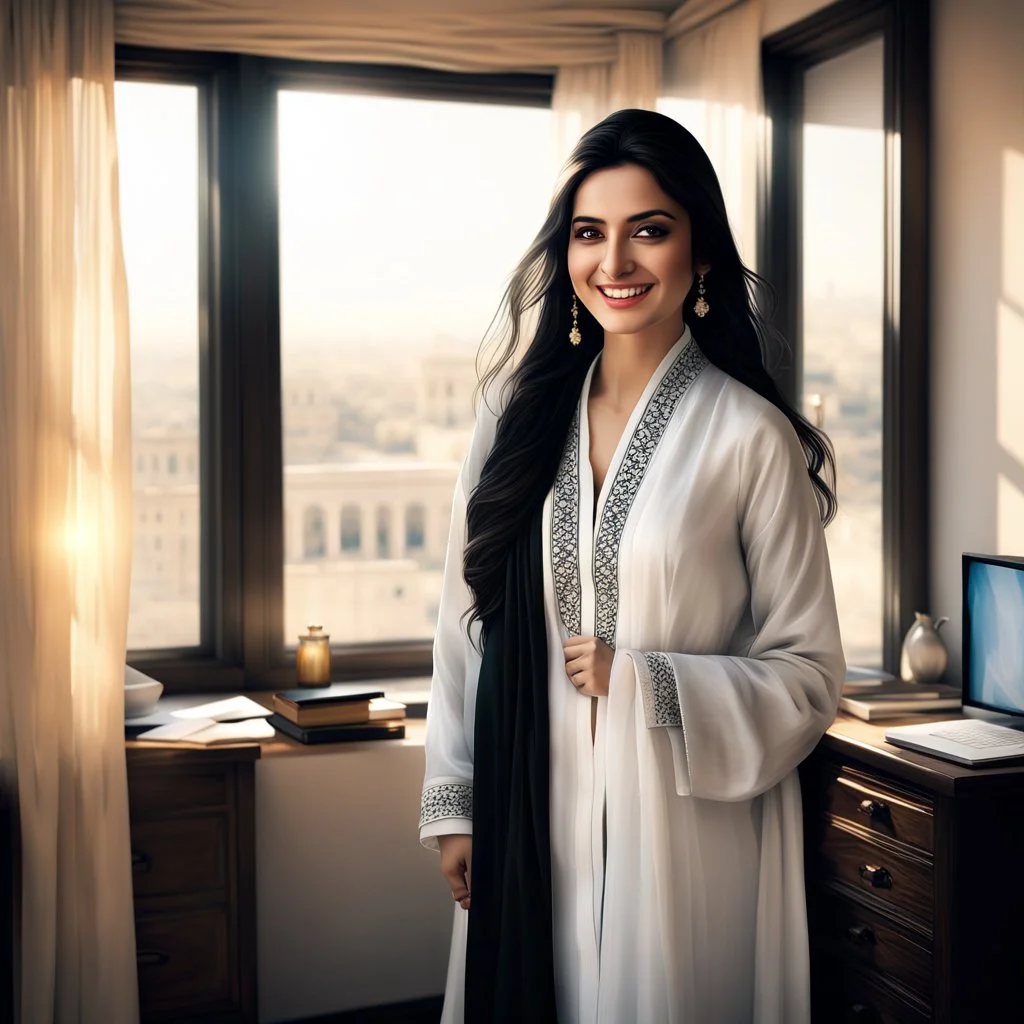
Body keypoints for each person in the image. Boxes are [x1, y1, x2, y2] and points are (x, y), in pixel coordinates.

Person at [418, 108, 844, 1024]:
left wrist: (645, 680)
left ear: (699, 251)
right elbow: (465, 621)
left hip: (684, 839)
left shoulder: (748, 437)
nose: (615, 262)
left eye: (649, 229)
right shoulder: (516, 419)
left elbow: (809, 680)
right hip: (533, 812)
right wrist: (457, 804)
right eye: (589, 233)